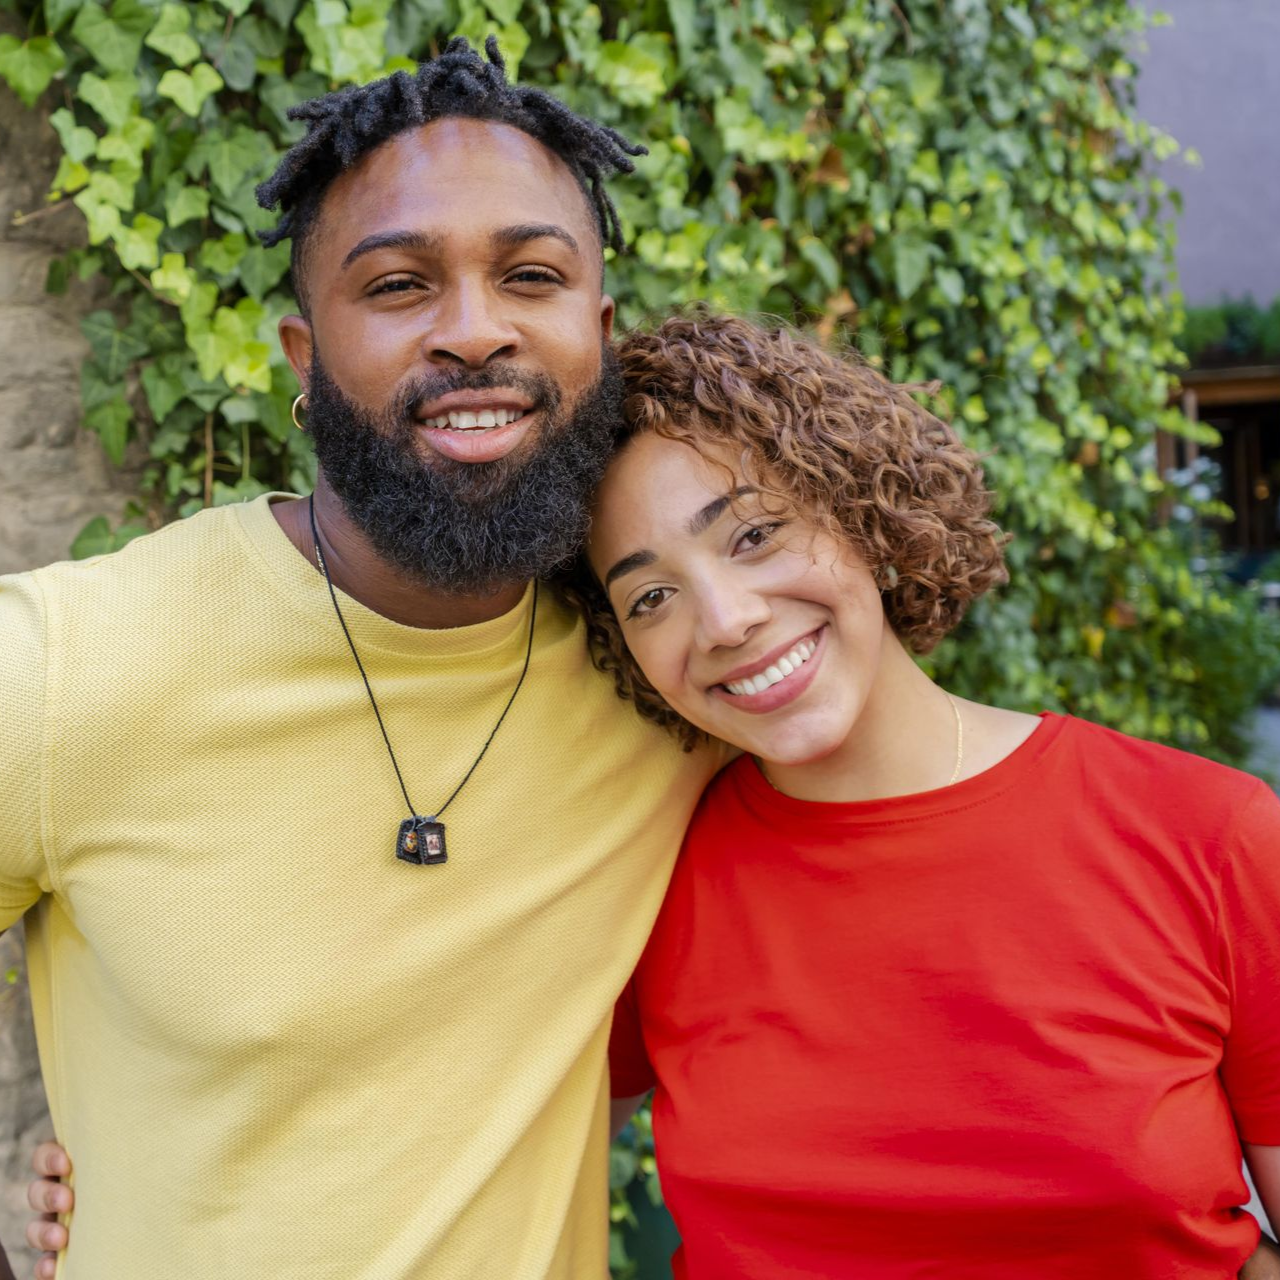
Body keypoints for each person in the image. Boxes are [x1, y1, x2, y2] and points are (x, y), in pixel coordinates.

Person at [0, 39, 723, 1280]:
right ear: (301, 358)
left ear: (597, 334)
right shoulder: (72, 662)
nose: (474, 331)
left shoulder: (668, 672)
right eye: (397, 286)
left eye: (531, 276)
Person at [580, 313, 1279, 1278]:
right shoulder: (646, 883)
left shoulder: (1213, 835)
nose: (726, 620)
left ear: (857, 506)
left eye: (753, 533)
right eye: (649, 596)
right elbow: (503, 1179)